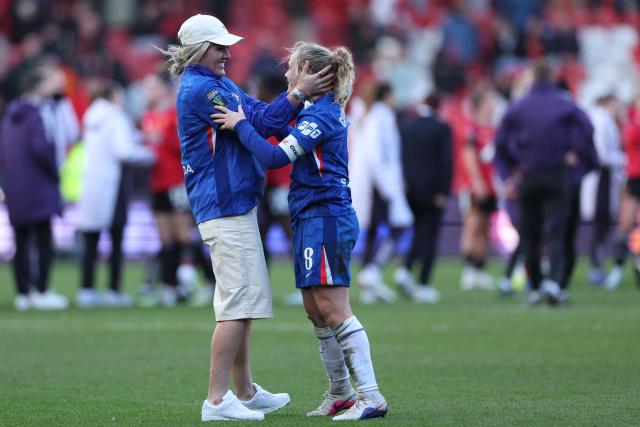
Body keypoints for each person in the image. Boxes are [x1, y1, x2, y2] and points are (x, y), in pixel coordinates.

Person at [161, 14, 334, 421]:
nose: (227, 52)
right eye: (219, 46)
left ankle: (245, 390)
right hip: (223, 204)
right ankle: (217, 400)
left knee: (245, 304)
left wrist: (294, 96)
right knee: (236, 306)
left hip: (234, 204)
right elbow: (265, 123)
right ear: (200, 50)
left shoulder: (216, 84)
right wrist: (297, 93)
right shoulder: (202, 89)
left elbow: (261, 120)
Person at [213, 41, 388, 420]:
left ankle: (371, 397)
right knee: (315, 307)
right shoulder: (313, 110)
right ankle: (341, 392)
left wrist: (240, 125)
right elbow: (277, 130)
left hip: (325, 216)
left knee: (334, 308)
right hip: (311, 217)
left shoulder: (321, 117)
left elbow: (275, 157)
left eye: (292, 67)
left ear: (308, 69)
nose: (287, 74)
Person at [494, 60, 596, 305]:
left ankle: (536, 285)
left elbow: (500, 144)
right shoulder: (565, 105)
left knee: (529, 233)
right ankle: (555, 282)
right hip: (556, 174)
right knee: (557, 231)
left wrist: (509, 172)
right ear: (552, 76)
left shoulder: (518, 107)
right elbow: (588, 130)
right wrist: (576, 154)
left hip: (527, 175)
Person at [139, 70, 216, 307]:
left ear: (163, 89)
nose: (147, 92)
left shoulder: (175, 114)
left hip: (176, 181)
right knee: (166, 240)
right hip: (157, 183)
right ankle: (170, 287)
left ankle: (212, 283)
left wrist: (162, 139)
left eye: (151, 87)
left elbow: (186, 146)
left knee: (184, 236)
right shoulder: (148, 116)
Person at [76, 80, 155, 308]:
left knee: (91, 239)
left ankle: (87, 289)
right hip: (114, 185)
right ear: (113, 96)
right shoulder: (116, 117)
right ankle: (114, 289)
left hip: (91, 181)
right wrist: (149, 154)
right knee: (116, 238)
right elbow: (123, 151)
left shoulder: (91, 116)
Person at [0, 66, 68, 311]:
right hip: (39, 185)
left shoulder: (10, 113)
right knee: (43, 240)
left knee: (20, 242)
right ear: (39, 85)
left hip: (16, 186)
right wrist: (54, 171)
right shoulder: (37, 114)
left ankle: (22, 294)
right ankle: (42, 291)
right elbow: (41, 149)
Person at [350, 81, 413, 304]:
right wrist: (390, 184)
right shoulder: (381, 116)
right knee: (400, 225)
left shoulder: (366, 115)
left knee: (374, 230)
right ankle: (373, 272)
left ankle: (369, 283)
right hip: (380, 183)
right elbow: (379, 153)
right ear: (387, 95)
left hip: (369, 182)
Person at [393, 93, 452, 303]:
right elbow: (446, 163)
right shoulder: (441, 128)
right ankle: (423, 283)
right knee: (430, 235)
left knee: (418, 232)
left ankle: (406, 269)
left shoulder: (406, 126)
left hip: (409, 189)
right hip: (433, 191)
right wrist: (443, 192)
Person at [581, 94, 625, 287]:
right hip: (601, 176)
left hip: (605, 176)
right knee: (600, 220)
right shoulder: (601, 119)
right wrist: (625, 160)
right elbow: (602, 153)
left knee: (604, 221)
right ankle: (596, 265)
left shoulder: (604, 119)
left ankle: (598, 264)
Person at [459, 88, 498, 291]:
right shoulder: (472, 129)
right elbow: (468, 156)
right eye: (488, 102)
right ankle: (468, 270)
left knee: (485, 228)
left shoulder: (494, 129)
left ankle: (480, 269)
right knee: (472, 225)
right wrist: (476, 181)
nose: (492, 106)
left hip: (491, 187)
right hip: (475, 186)